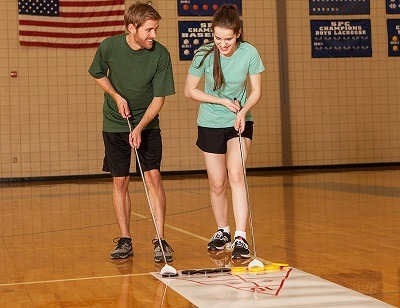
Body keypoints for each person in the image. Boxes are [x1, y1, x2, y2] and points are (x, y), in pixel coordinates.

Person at [88, 2, 175, 262]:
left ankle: (160, 239)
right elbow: (97, 73)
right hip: (115, 123)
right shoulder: (109, 47)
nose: (154, 35)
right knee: (120, 180)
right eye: (149, 30)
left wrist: (139, 127)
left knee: (153, 177)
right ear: (131, 28)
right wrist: (116, 96)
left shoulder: (160, 54)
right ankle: (125, 239)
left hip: (147, 124)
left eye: (156, 29)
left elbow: (159, 98)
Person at [184, 4, 265, 259]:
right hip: (210, 122)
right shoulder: (204, 54)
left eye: (227, 38)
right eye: (218, 38)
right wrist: (221, 101)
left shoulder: (250, 53)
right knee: (217, 183)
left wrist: (242, 112)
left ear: (238, 33)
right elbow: (190, 91)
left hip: (238, 121)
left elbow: (256, 91)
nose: (222, 43)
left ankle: (241, 237)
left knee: (236, 173)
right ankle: (223, 230)